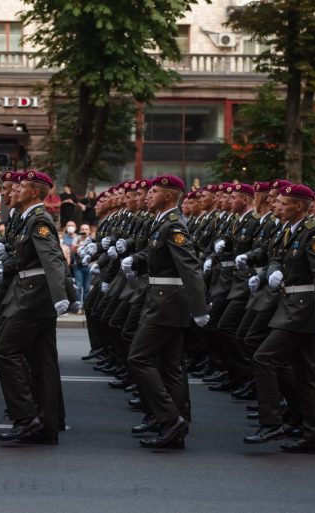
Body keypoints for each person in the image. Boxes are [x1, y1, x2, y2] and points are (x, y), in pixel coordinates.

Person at [244, 184, 315, 454]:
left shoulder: (311, 232)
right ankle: (314, 435)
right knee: (306, 375)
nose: (277, 207)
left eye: (283, 203)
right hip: (290, 304)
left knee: (264, 357)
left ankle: (271, 422)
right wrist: (267, 274)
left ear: (298, 206)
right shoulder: (288, 230)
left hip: (301, 309)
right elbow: (276, 258)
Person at [121, 175, 208, 449]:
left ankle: (170, 419)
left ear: (169, 196)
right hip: (161, 298)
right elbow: (158, 257)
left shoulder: (173, 225)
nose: (149, 194)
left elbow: (190, 266)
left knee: (138, 358)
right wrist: (135, 260)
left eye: (155, 191)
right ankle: (175, 426)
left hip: (167, 301)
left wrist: (200, 307)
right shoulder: (162, 223)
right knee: (171, 366)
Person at [0, 170, 69, 444]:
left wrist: (60, 294)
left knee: (5, 350)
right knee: (42, 362)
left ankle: (25, 417)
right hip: (33, 295)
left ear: (34, 192)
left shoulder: (38, 221)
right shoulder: (28, 220)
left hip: (34, 298)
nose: (15, 190)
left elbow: (53, 258)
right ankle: (46, 426)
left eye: (21, 186)